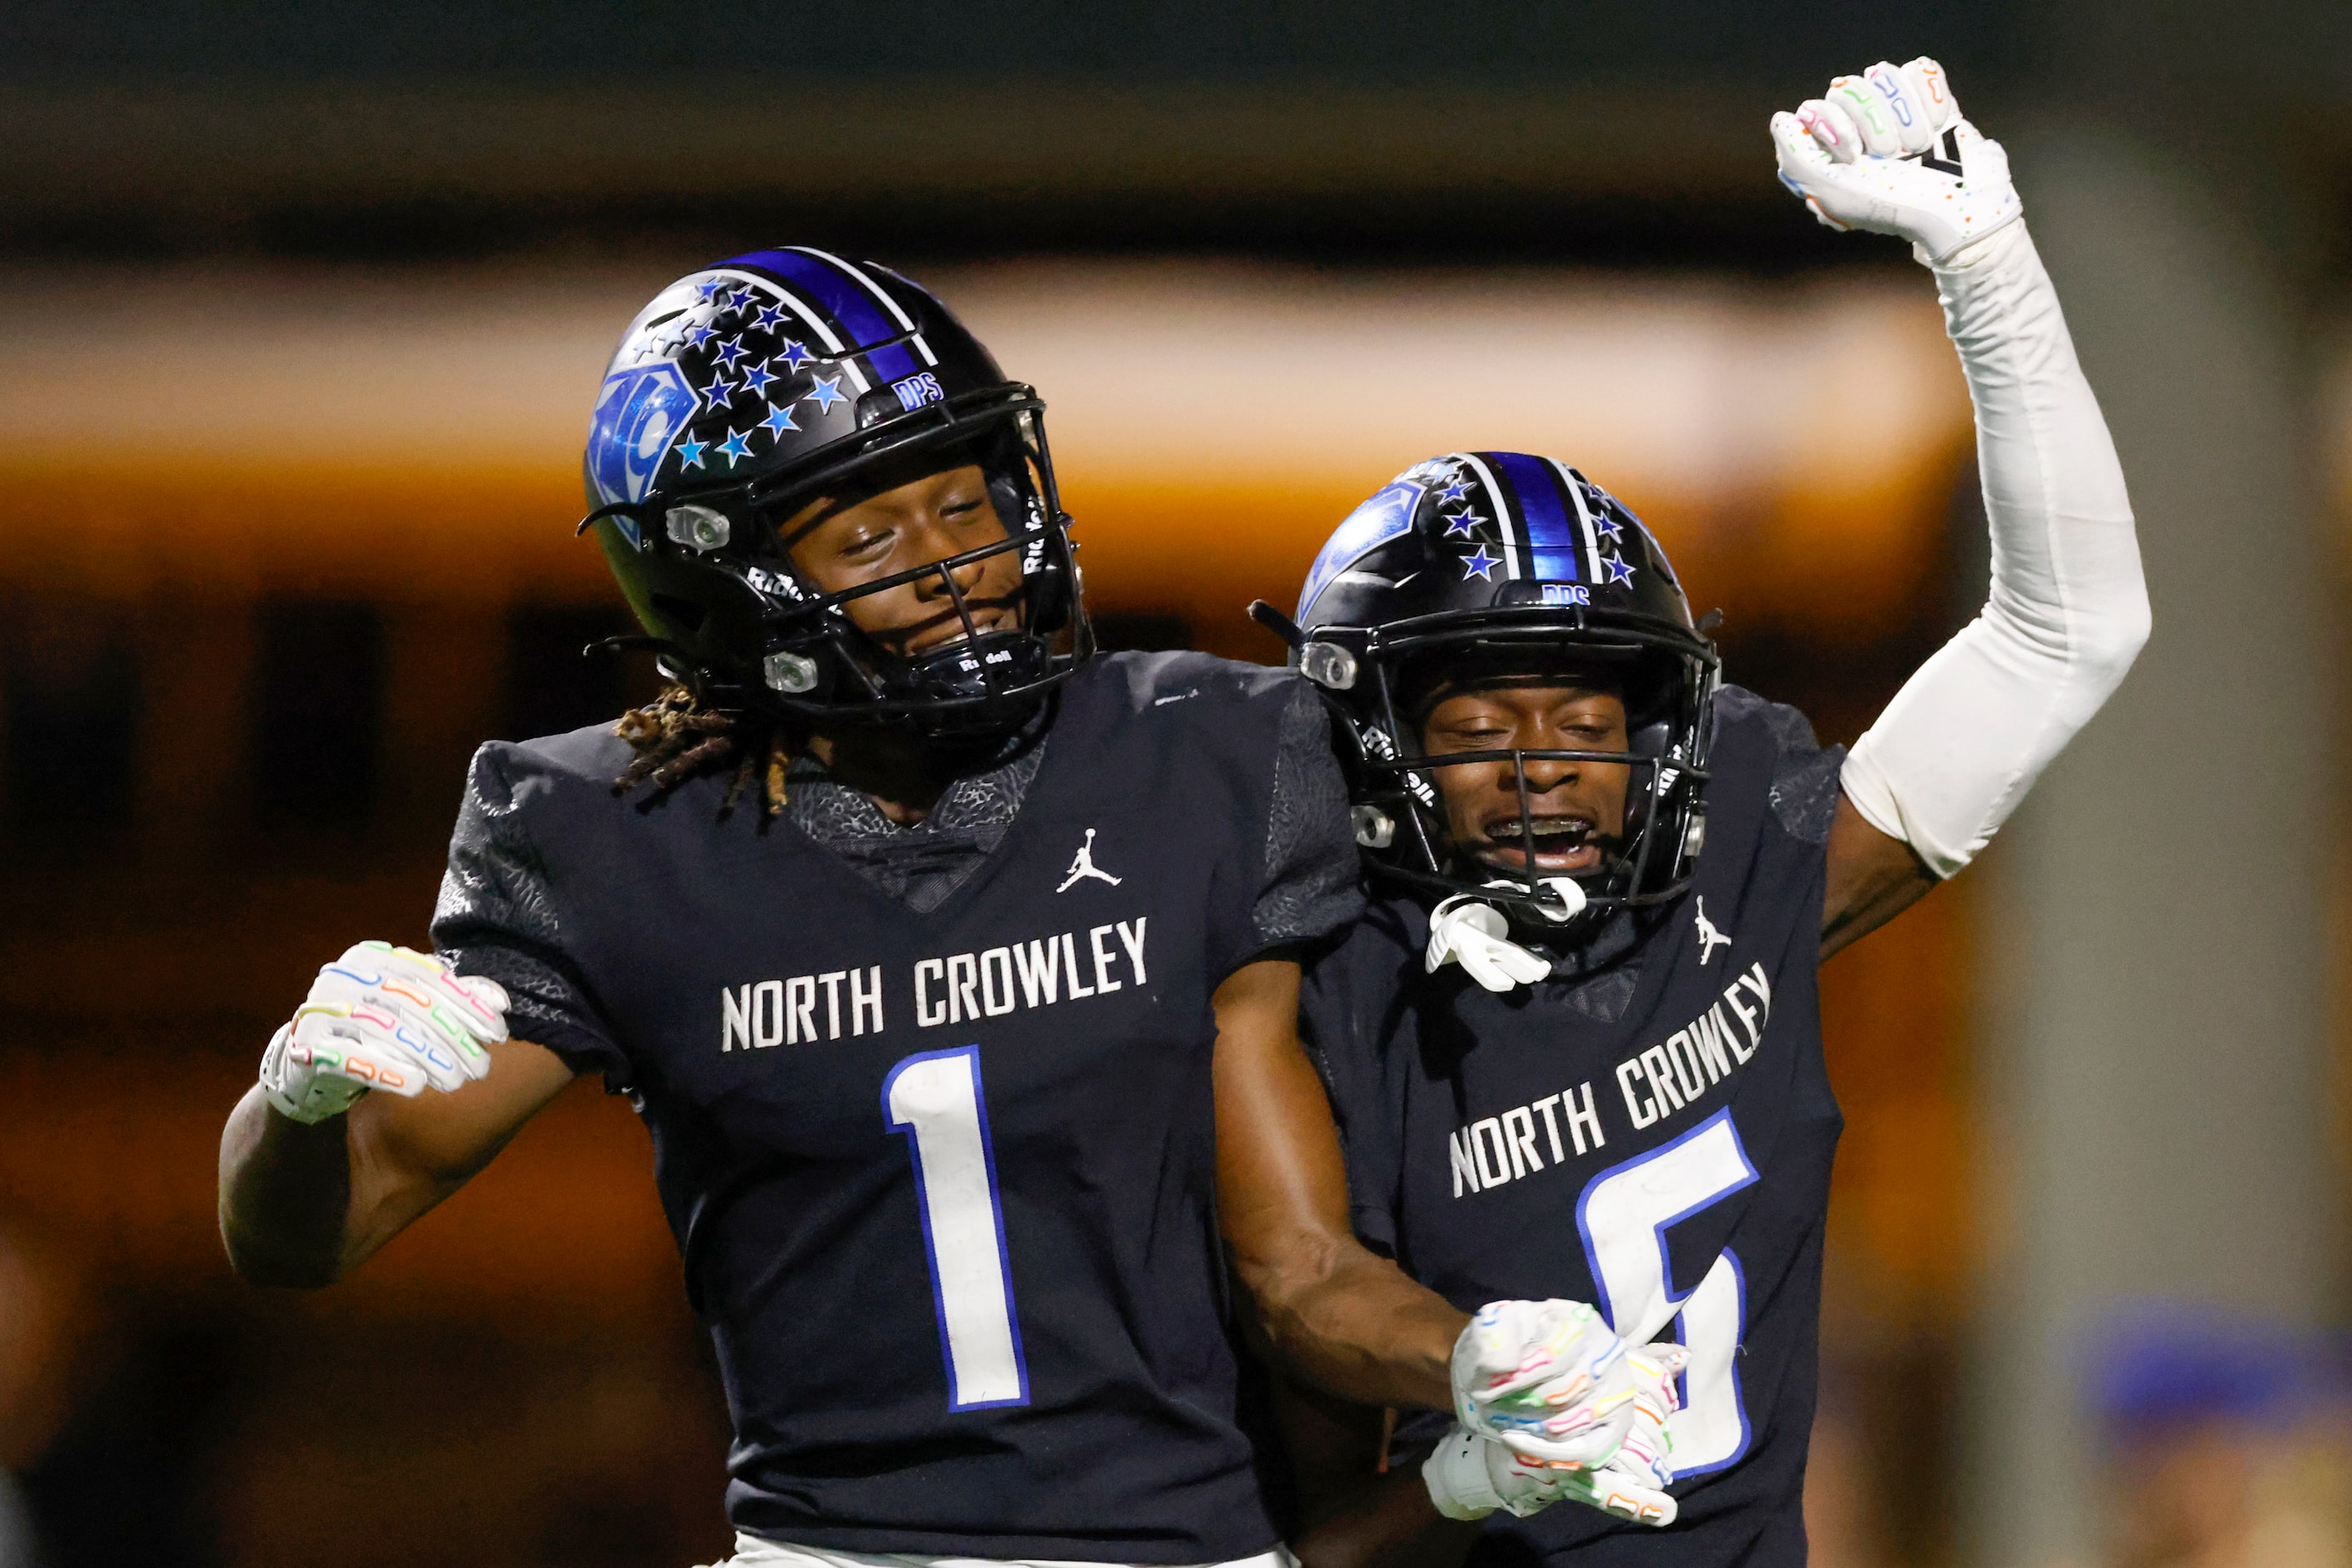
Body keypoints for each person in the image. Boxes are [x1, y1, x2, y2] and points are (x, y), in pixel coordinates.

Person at [215, 249, 1626, 1568]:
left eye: (966, 501)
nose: (951, 561)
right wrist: (297, 1102)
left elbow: (1299, 1266)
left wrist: (1471, 1358)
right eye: (870, 532)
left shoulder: (1201, 755)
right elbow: (307, 1232)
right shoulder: (614, 832)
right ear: (718, 581)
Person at [1268, 58, 2150, 1566]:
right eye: (1476, 720)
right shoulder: (1305, 987)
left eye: (1590, 716)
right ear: (1371, 735)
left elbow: (2067, 633)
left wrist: (1985, 264)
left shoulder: (1741, 857)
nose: (1541, 760)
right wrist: (1464, 1471)